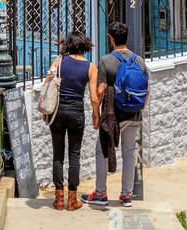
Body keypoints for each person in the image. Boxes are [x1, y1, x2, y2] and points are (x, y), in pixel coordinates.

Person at [84, 21, 149, 208]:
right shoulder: (139, 60)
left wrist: (97, 114)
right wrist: (140, 111)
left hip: (113, 116)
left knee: (102, 150)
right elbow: (147, 90)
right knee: (129, 153)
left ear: (110, 38)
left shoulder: (106, 61)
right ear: (126, 37)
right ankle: (126, 195)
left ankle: (101, 192)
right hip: (134, 115)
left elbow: (99, 91)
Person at [46, 32, 97, 211]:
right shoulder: (90, 67)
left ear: (67, 45)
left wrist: (46, 111)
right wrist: (96, 115)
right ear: (84, 46)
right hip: (76, 112)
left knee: (57, 155)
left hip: (57, 111)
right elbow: (94, 97)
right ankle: (72, 200)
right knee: (74, 155)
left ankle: (59, 199)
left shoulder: (58, 62)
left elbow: (48, 83)